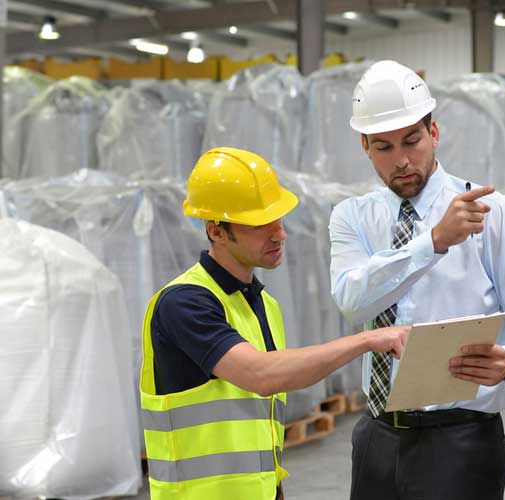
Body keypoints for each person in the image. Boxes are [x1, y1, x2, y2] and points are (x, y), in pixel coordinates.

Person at [329, 60, 505, 500]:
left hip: (462, 442)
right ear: (365, 146)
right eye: (383, 147)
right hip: (376, 439)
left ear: (434, 133)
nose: (401, 160)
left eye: (412, 141)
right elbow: (352, 300)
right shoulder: (353, 218)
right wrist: (432, 242)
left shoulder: (492, 214)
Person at [139, 147, 408, 500]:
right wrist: (364, 341)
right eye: (259, 224)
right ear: (216, 231)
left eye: (278, 219)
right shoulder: (184, 304)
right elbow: (261, 375)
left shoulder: (263, 304)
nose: (279, 234)